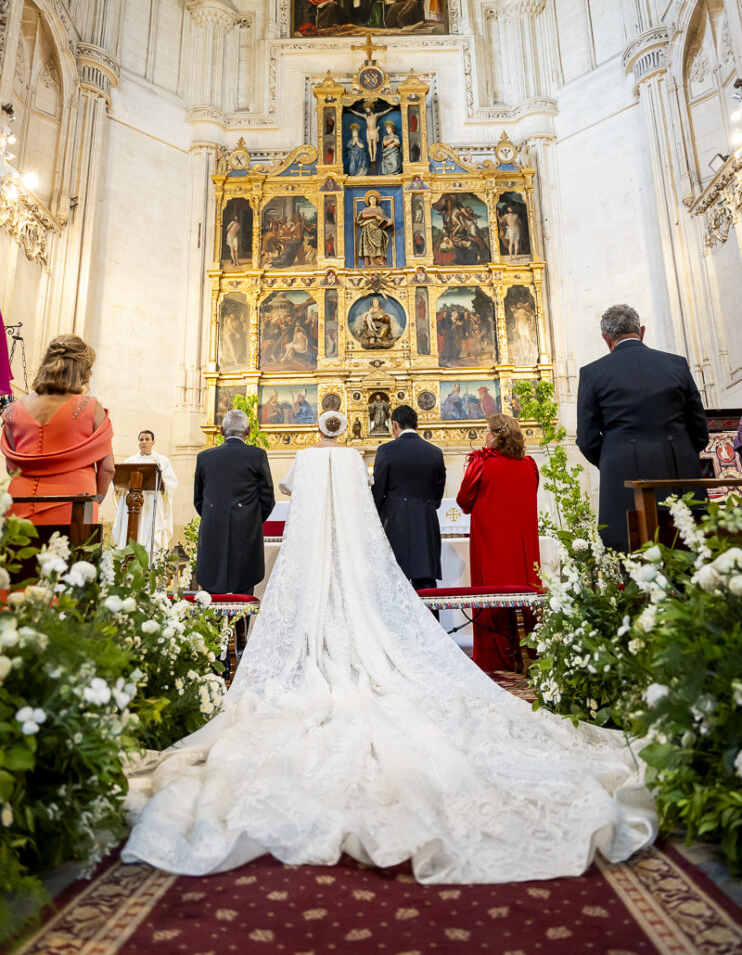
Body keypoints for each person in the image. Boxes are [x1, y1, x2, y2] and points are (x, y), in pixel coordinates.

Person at [122, 411, 656, 882]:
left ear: (316, 430)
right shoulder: (355, 459)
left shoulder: (305, 461)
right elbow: (365, 497)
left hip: (313, 560)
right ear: (342, 429)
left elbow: (285, 492)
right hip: (356, 556)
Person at [576, 304, 709, 552]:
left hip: (623, 478)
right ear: (642, 331)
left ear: (606, 338)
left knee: (633, 554)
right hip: (679, 472)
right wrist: (681, 451)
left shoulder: (593, 373)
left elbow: (586, 438)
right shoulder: (677, 364)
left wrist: (613, 458)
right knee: (689, 552)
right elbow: (699, 427)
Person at [0, 335, 114, 542]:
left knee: (21, 568)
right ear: (82, 369)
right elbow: (107, 468)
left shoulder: (14, 409)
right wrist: (94, 501)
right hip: (74, 504)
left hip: (19, 500)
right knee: (70, 569)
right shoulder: (90, 408)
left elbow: (11, 466)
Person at [456, 414, 541, 671]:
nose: (484, 437)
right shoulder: (530, 465)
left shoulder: (482, 463)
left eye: (486, 432)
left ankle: (496, 656)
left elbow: (463, 500)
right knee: (525, 592)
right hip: (523, 545)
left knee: (491, 592)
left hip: (491, 542)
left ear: (494, 435)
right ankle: (529, 652)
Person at [193, 409, 275, 594]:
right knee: (244, 585)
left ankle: (213, 622)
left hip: (213, 526)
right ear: (248, 431)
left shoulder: (204, 457)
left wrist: (214, 514)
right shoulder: (257, 455)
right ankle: (241, 623)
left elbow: (198, 499)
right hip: (246, 529)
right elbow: (268, 498)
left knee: (211, 586)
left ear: (221, 431)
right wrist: (251, 519)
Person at [372, 404, 446, 594]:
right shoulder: (435, 452)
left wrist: (377, 518)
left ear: (394, 424)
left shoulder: (386, 451)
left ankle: (397, 625)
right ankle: (431, 622)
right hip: (426, 521)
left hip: (396, 522)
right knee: (426, 581)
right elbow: (438, 492)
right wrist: (426, 506)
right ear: (417, 424)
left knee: (396, 581)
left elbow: (379, 489)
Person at [111, 430, 178, 555]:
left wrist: (162, 484)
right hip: (131, 506)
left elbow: (172, 483)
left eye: (147, 439)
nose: (143, 442)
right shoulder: (129, 462)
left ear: (153, 442)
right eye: (141, 439)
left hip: (151, 505)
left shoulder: (162, 461)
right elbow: (119, 482)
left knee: (149, 536)